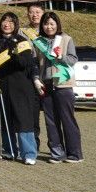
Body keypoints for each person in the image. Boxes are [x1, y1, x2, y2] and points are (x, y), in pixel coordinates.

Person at [0, 12, 39, 165]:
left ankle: (28, 153)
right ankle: (10, 151)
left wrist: (16, 55)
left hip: (22, 86)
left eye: (10, 21)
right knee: (6, 119)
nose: (7, 24)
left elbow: (27, 64)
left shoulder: (22, 41)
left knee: (24, 121)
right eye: (4, 20)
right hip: (2, 85)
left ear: (15, 24)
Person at [33, 12, 83, 163]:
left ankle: (75, 154)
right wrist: (36, 78)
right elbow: (34, 63)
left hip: (63, 85)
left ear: (57, 25)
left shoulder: (66, 39)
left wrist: (61, 56)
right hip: (46, 85)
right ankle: (57, 153)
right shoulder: (38, 42)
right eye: (46, 24)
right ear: (42, 25)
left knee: (68, 119)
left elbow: (73, 59)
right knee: (51, 121)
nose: (49, 27)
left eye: (52, 24)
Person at [20, 2, 45, 150]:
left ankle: (57, 145)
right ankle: (34, 142)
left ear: (43, 13)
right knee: (32, 112)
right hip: (29, 76)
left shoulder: (50, 29)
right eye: (31, 12)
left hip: (47, 73)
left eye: (37, 12)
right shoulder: (22, 32)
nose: (34, 15)